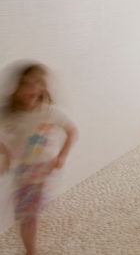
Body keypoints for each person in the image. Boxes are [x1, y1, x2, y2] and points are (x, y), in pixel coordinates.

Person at [0, 63, 77, 255]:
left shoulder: (49, 112)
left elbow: (72, 131)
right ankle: (30, 248)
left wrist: (62, 156)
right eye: (26, 84)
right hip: (24, 171)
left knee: (30, 214)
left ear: (43, 87)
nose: (32, 89)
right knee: (27, 215)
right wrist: (6, 153)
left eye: (38, 83)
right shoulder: (10, 114)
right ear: (16, 88)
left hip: (45, 169)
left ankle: (30, 250)